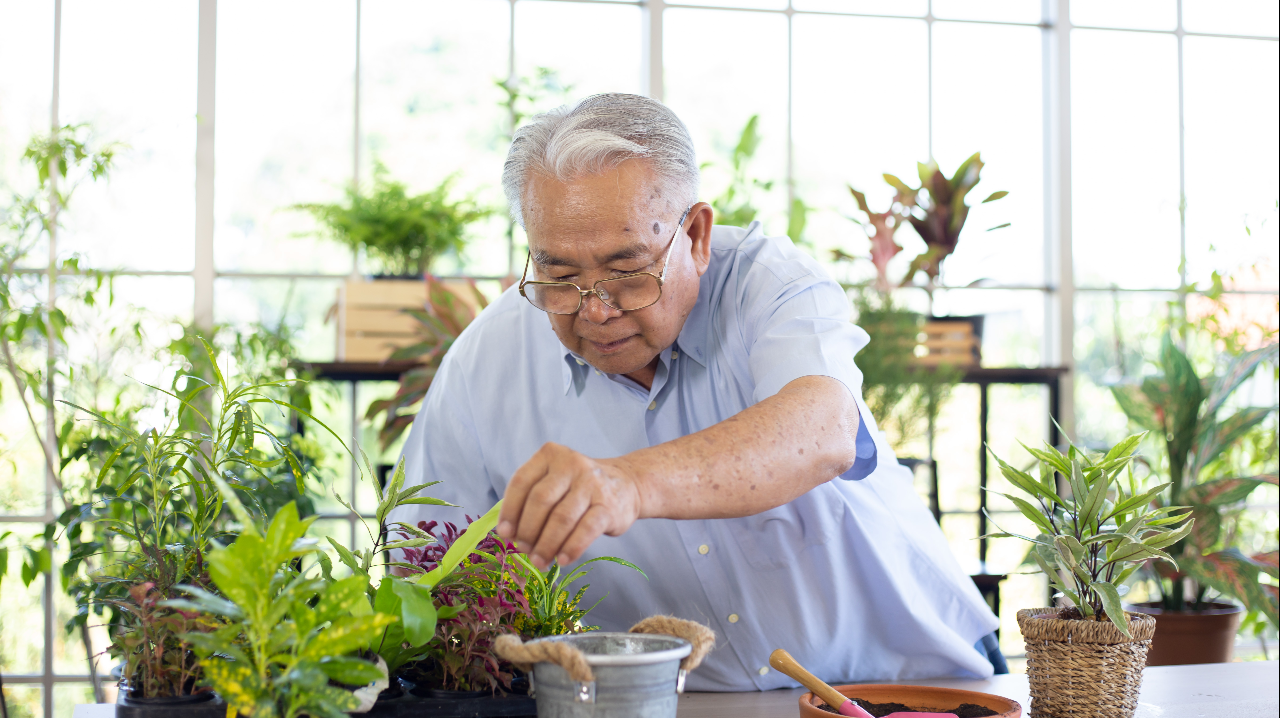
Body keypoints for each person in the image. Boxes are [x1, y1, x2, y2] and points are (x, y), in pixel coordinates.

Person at [388, 93, 1003, 691]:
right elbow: (422, 570)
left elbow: (824, 432)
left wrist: (627, 484)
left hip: (914, 682)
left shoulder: (768, 282)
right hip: (682, 701)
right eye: (559, 274)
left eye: (627, 271)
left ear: (698, 235)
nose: (595, 309)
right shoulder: (485, 361)